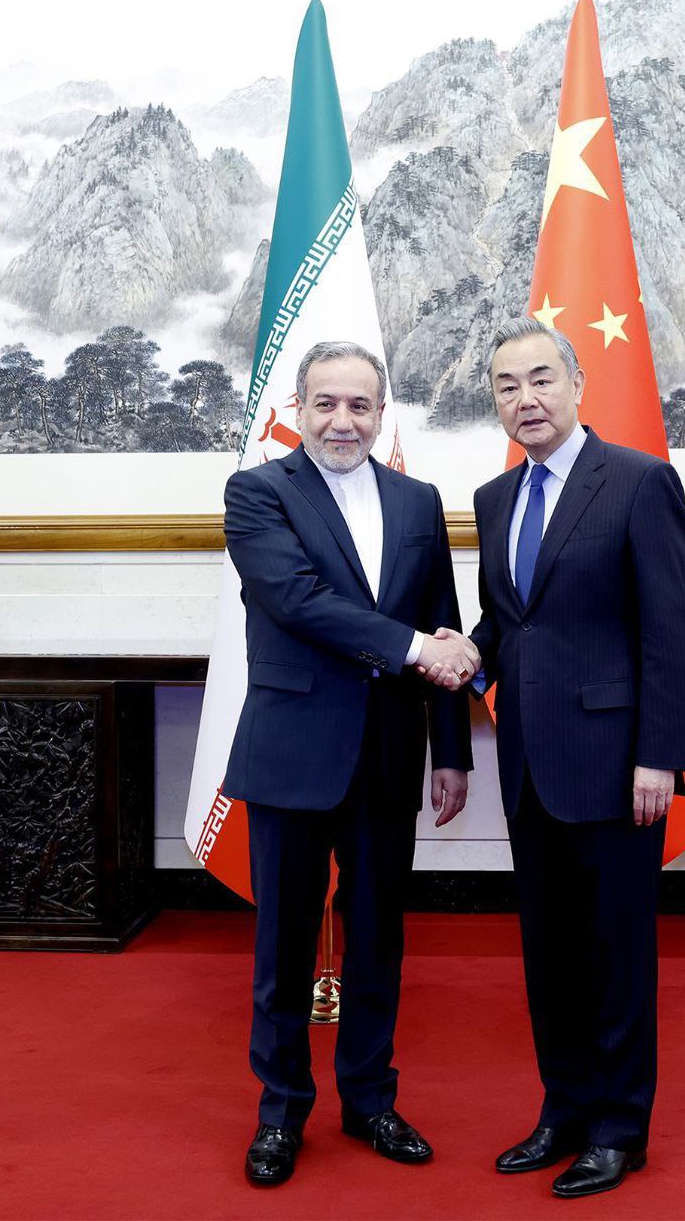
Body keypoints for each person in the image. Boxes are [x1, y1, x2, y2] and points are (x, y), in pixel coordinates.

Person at [429, 315, 685, 1199]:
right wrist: (458, 656)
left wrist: (658, 755)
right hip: (530, 768)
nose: (525, 399)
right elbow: (514, 626)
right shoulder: (494, 500)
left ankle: (620, 1129)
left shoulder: (638, 482)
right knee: (548, 952)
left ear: (577, 384)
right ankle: (564, 1110)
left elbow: (668, 631)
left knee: (616, 955)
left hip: (622, 768)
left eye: (540, 379)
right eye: (506, 386)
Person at [222, 340, 479, 1187]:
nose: (343, 420)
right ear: (297, 409)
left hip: (387, 755)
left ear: (381, 413)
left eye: (360, 405)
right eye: (326, 403)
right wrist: (416, 649)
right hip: (293, 752)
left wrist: (451, 751)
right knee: (284, 945)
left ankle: (370, 1101)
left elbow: (442, 618)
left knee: (378, 940)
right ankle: (279, 1114)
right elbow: (295, 601)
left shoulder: (417, 500)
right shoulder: (258, 493)